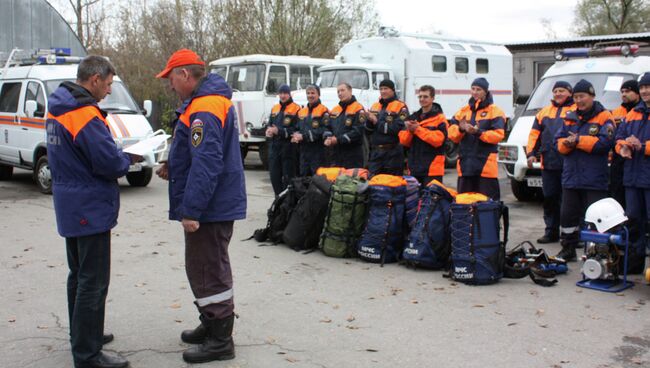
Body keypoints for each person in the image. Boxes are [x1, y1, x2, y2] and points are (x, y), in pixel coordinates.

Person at [155, 49, 246, 363]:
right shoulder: (202, 102)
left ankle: (220, 339)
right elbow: (195, 153)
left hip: (210, 206)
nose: (169, 86)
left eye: (170, 79)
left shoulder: (205, 106)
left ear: (183, 74)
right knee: (205, 266)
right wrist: (172, 165)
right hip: (214, 202)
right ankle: (211, 322)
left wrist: (191, 210)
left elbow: (207, 162)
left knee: (208, 269)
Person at [46, 55, 135, 368]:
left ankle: (82, 333)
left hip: (71, 203)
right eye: (108, 84)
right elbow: (107, 161)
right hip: (89, 207)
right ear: (95, 79)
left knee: (79, 276)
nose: (109, 90)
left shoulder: (59, 108)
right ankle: (87, 353)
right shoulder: (84, 114)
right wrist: (128, 160)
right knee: (93, 281)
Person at [555, 79, 615, 261]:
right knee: (567, 216)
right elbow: (558, 143)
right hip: (571, 176)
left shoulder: (605, 117)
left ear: (592, 96)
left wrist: (579, 141)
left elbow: (605, 143)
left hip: (594, 178)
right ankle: (568, 249)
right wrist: (567, 143)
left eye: (582, 96)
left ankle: (596, 253)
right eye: (576, 97)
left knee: (596, 218)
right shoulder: (569, 117)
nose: (579, 100)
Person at [526, 81, 575, 244]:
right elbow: (534, 135)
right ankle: (551, 231)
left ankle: (571, 233)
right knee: (550, 198)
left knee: (570, 200)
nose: (558, 94)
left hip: (570, 163)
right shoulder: (543, 112)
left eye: (561, 90)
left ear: (569, 93)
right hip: (548, 162)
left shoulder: (576, 110)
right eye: (555, 91)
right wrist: (531, 153)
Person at [614, 72, 650, 273]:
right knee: (633, 221)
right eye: (643, 87)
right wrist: (623, 147)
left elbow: (642, 145)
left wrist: (642, 146)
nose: (645, 91)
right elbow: (619, 138)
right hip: (633, 179)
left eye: (648, 87)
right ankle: (634, 266)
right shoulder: (633, 113)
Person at [448, 78, 506, 199]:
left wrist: (478, 132)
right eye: (473, 89)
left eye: (478, 89)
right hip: (465, 167)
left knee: (487, 206)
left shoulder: (495, 111)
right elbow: (451, 135)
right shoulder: (463, 111)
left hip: (485, 168)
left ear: (485, 91)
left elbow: (498, 135)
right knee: (464, 205)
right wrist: (461, 129)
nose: (475, 92)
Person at [398, 85, 448, 186]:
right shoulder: (413, 117)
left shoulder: (440, 119)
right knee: (414, 200)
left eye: (425, 97)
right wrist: (410, 131)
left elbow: (438, 141)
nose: (422, 99)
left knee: (430, 200)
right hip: (414, 167)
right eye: (420, 97)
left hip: (432, 169)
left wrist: (417, 129)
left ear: (433, 98)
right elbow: (403, 141)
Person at [365, 79, 408, 176]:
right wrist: (369, 120)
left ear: (393, 90)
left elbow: (396, 129)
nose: (383, 91)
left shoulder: (401, 106)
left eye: (386, 88)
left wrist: (376, 121)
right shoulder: (375, 106)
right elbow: (368, 131)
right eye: (381, 89)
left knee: (392, 183)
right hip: (376, 153)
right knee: (373, 182)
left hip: (393, 153)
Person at [610, 80, 640, 208]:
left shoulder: (641, 112)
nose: (624, 94)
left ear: (637, 93)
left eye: (628, 91)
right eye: (622, 92)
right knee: (617, 196)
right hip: (618, 160)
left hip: (637, 158)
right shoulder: (615, 112)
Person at [266, 84, 300, 195]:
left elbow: (297, 129)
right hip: (274, 148)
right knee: (274, 177)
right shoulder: (275, 108)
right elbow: (270, 124)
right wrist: (268, 131)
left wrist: (279, 131)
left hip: (288, 149)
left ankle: (287, 204)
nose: (283, 95)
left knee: (287, 179)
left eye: (285, 93)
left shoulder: (296, 108)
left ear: (289, 94)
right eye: (281, 93)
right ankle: (278, 202)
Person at [324, 82, 366, 168]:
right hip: (336, 154)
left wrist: (338, 140)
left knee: (352, 180)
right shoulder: (335, 109)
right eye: (338, 92)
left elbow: (358, 131)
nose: (340, 93)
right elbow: (328, 127)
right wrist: (328, 137)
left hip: (352, 154)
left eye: (342, 90)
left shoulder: (358, 108)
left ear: (350, 91)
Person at [291, 85, 329, 176]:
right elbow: (297, 128)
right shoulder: (302, 111)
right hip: (303, 152)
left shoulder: (324, 110)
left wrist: (304, 136)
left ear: (318, 95)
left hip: (318, 152)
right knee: (303, 179)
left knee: (317, 180)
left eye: (313, 93)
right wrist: (295, 135)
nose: (310, 95)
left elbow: (325, 129)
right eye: (308, 93)